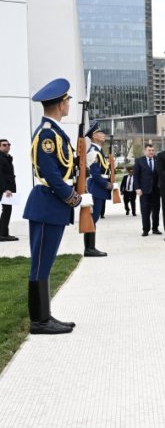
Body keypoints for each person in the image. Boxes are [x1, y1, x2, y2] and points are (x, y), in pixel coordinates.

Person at [23, 78, 92, 334]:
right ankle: (39, 321)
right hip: (46, 205)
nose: (68, 105)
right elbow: (51, 175)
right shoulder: (47, 135)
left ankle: (45, 316)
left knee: (46, 262)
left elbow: (66, 167)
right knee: (40, 264)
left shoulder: (54, 132)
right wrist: (75, 198)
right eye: (67, 101)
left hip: (52, 206)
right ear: (60, 104)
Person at [85, 122, 114, 257]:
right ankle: (90, 248)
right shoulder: (93, 152)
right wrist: (109, 185)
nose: (103, 135)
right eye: (100, 133)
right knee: (92, 218)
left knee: (93, 219)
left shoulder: (98, 151)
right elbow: (96, 175)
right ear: (93, 136)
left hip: (98, 188)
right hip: (96, 188)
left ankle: (90, 248)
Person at [133, 144, 161, 236]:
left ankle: (155, 228)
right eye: (149, 150)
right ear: (145, 151)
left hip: (156, 190)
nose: (151, 152)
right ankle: (145, 229)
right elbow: (136, 176)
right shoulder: (139, 161)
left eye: (153, 150)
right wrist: (137, 188)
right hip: (144, 191)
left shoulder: (158, 160)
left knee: (156, 211)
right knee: (145, 211)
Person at [0, 138, 18, 241]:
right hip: (4, 189)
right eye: (4, 145)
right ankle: (3, 235)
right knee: (7, 210)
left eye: (8, 144)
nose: (7, 146)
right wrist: (5, 189)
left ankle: (3, 234)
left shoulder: (7, 157)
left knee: (7, 210)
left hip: (7, 188)